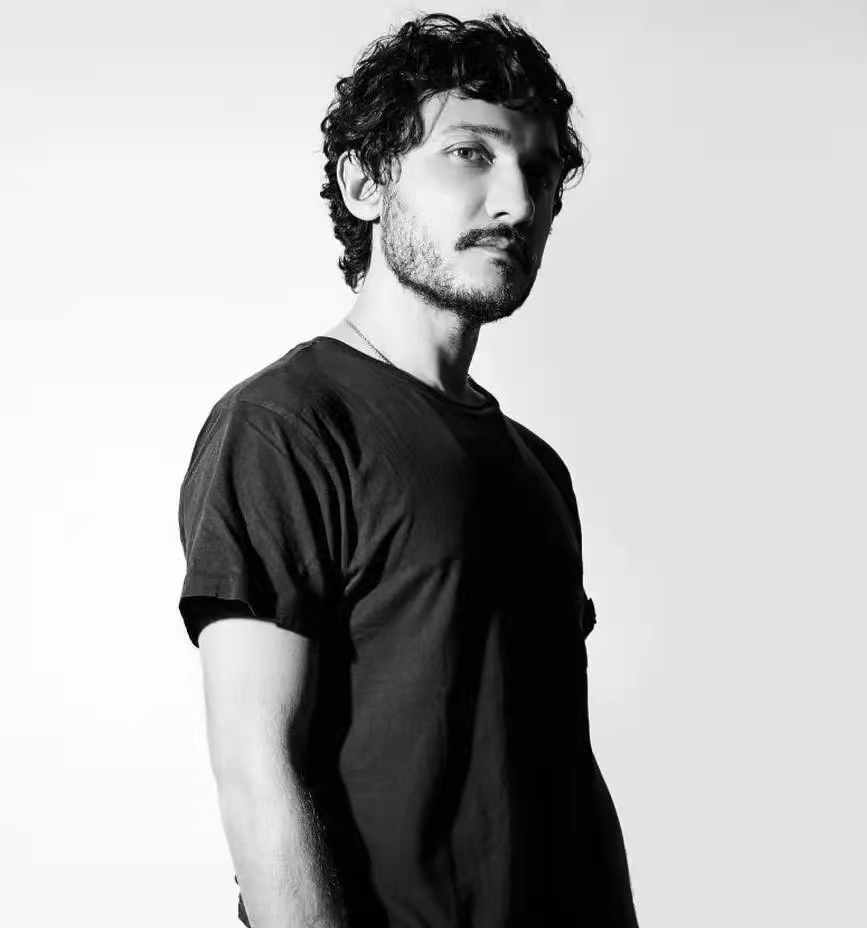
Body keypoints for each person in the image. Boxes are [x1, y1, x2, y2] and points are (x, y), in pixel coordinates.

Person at [177, 12, 639, 927]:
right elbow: (259, 777)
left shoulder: (537, 470)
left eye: (541, 172)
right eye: (470, 154)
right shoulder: (287, 425)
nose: (517, 202)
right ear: (365, 184)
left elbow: (567, 768)